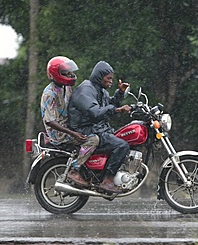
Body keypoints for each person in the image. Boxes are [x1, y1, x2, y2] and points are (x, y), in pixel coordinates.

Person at [68, 61, 131, 193]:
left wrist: (120, 92)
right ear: (99, 77)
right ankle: (107, 180)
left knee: (123, 137)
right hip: (84, 130)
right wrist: (117, 110)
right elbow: (95, 113)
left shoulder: (101, 91)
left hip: (97, 128)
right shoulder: (85, 90)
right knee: (122, 146)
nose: (111, 82)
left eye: (111, 79)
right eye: (108, 78)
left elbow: (110, 103)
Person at [41, 56, 99, 186]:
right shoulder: (49, 94)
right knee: (93, 140)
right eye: (65, 72)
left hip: (69, 127)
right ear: (55, 74)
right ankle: (74, 170)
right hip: (58, 134)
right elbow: (50, 121)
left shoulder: (66, 88)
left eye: (69, 72)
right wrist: (73, 133)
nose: (69, 74)